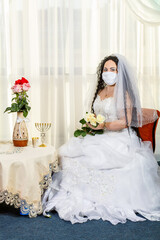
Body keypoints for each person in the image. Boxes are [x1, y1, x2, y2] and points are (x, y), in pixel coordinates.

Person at [42, 54, 160, 225]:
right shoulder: (100, 91)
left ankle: (95, 197)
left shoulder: (124, 94)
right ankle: (73, 193)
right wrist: (92, 124)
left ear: (120, 73)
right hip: (98, 135)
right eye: (105, 69)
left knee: (94, 158)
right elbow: (97, 116)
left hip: (117, 139)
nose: (108, 72)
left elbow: (125, 122)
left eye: (112, 69)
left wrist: (104, 125)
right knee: (68, 155)